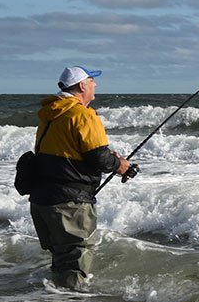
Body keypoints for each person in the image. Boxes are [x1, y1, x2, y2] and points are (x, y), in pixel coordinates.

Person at [29, 65, 136, 290]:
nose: (95, 85)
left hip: (43, 200)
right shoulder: (83, 114)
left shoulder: (49, 115)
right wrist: (122, 166)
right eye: (91, 80)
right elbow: (99, 158)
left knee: (61, 257)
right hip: (69, 202)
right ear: (81, 86)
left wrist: (110, 160)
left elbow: (70, 153)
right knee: (76, 259)